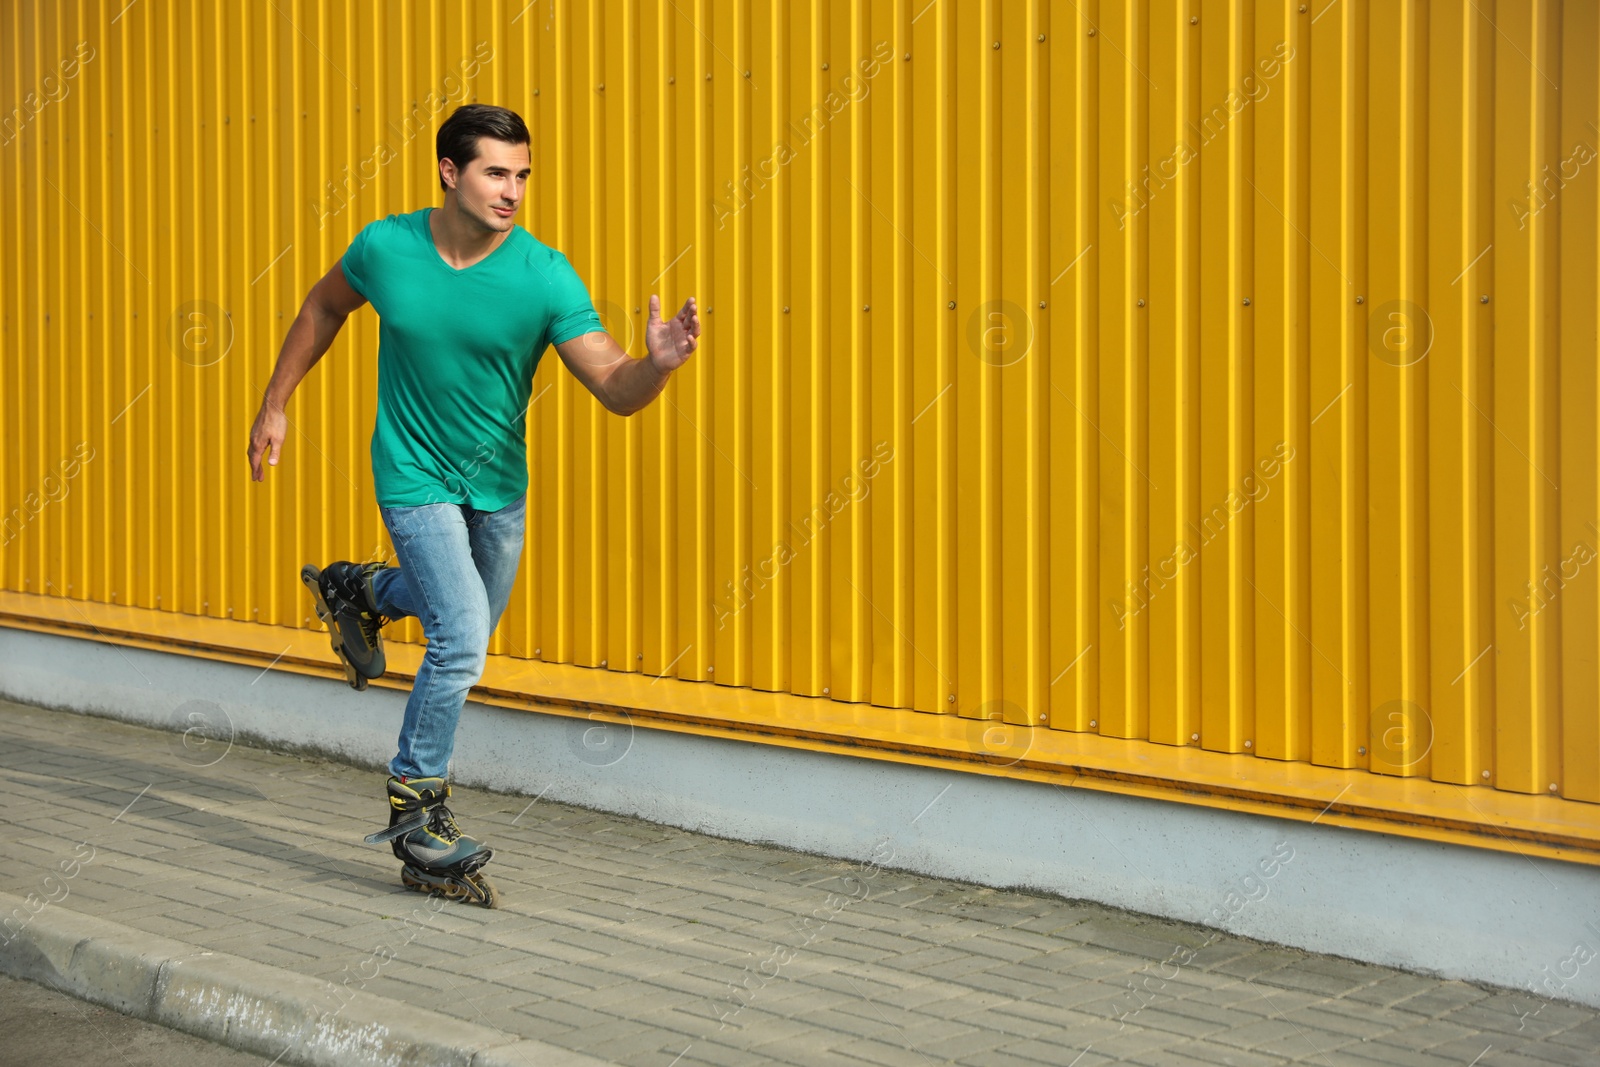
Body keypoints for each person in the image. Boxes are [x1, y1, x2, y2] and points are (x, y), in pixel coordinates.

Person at [246, 104, 700, 906]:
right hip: (412, 472)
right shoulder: (385, 247)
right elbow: (323, 308)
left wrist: (655, 367)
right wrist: (275, 402)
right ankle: (417, 809)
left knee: (465, 623)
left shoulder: (544, 275)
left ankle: (360, 590)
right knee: (460, 640)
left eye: (523, 174)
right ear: (450, 172)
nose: (513, 190)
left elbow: (614, 387)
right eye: (497, 172)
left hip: (498, 488)